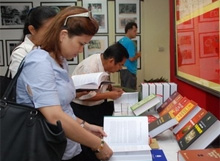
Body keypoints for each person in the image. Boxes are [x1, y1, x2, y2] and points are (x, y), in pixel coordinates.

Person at [16, 6, 113, 161]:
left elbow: (64, 108)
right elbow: (54, 115)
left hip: (66, 148)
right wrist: (97, 144)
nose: (81, 50)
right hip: (46, 150)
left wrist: (86, 126)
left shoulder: (60, 61)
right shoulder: (38, 62)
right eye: (81, 43)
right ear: (63, 35)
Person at [71, 42, 129, 161]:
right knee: (88, 145)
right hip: (83, 109)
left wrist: (112, 89)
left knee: (101, 134)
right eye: (120, 65)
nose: (120, 69)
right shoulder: (90, 67)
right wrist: (110, 95)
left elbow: (102, 83)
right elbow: (86, 95)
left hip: (96, 107)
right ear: (112, 61)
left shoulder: (104, 64)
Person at [9, 6, 59, 77]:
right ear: (32, 30)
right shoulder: (20, 53)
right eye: (49, 30)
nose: (54, 34)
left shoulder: (53, 49)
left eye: (55, 29)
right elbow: (22, 84)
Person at [119, 22, 141, 90]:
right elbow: (131, 58)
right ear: (129, 30)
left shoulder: (121, 41)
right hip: (130, 71)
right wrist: (138, 55)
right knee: (131, 93)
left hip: (123, 70)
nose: (136, 33)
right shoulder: (130, 43)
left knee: (124, 90)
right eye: (134, 31)